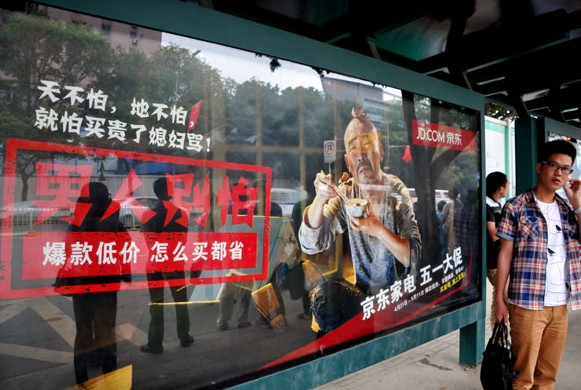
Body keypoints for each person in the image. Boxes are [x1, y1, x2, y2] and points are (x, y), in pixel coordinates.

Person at [299, 108, 421, 332]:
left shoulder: (395, 191)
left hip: (397, 300)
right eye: (353, 147)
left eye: (367, 144)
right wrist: (319, 200)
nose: (361, 154)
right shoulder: (347, 193)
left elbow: (413, 257)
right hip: (362, 299)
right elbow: (311, 243)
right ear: (347, 161)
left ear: (380, 152)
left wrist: (379, 229)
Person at [494, 139, 581, 389]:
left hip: (560, 305)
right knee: (522, 378)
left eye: (566, 169)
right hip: (527, 304)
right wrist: (499, 299)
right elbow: (505, 254)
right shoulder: (517, 206)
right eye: (554, 165)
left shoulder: (567, 210)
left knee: (547, 377)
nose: (560, 173)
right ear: (539, 167)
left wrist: (578, 204)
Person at [67, 182, 131, 384]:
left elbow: (68, 251)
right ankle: (109, 375)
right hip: (106, 284)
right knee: (106, 329)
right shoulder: (112, 222)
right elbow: (125, 247)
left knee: (83, 329)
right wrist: (126, 273)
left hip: (81, 284)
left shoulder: (76, 222)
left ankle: (81, 377)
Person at [140, 177, 194, 353]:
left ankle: (155, 343)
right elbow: (183, 240)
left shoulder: (147, 214)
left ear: (156, 192)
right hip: (175, 263)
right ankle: (184, 336)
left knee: (157, 304)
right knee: (180, 302)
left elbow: (147, 242)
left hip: (155, 264)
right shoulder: (182, 214)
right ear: (171, 192)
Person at [485, 171, 509, 328]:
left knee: (498, 296)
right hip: (493, 262)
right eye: (507, 184)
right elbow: (493, 234)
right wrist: (509, 231)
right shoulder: (487, 206)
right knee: (508, 296)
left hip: (499, 259)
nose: (508, 187)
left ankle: (497, 334)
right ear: (501, 188)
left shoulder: (496, 204)